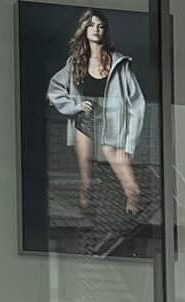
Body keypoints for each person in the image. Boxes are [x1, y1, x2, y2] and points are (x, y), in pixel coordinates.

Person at [46, 9, 145, 218]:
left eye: (100, 26)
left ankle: (133, 208)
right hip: (86, 122)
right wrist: (77, 104)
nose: (96, 30)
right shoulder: (75, 63)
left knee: (129, 181)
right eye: (91, 25)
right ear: (85, 30)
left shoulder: (119, 64)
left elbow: (137, 103)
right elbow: (54, 91)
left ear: (105, 31)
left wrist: (130, 142)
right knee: (86, 179)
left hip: (113, 126)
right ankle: (86, 219)